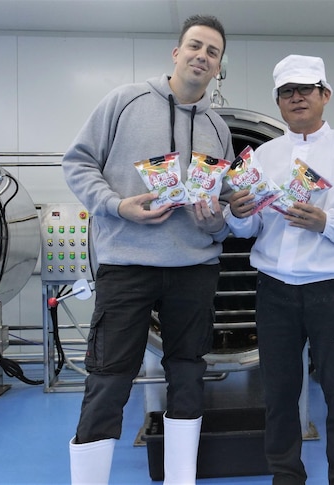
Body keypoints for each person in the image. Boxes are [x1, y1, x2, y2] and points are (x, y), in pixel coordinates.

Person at [62, 14, 233, 485]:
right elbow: (76, 164)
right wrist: (117, 206)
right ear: (176, 53)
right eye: (195, 46)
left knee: (188, 372)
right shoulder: (124, 101)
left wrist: (216, 222)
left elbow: (222, 203)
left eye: (212, 51)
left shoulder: (219, 129)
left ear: (219, 67)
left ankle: (182, 478)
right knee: (109, 376)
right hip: (127, 264)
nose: (202, 56)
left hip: (194, 267)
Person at [225, 55, 334, 485]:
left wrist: (327, 223)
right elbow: (249, 226)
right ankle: (286, 476)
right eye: (287, 92)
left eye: (305, 90)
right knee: (279, 394)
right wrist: (239, 213)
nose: (296, 98)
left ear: (325, 95)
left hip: (330, 291)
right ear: (278, 101)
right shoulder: (263, 156)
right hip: (274, 290)